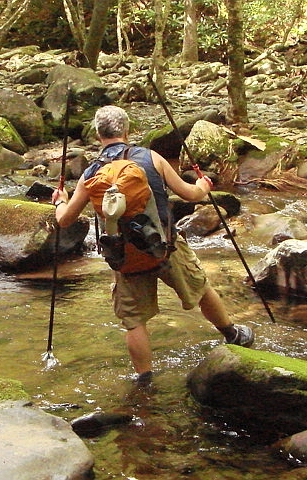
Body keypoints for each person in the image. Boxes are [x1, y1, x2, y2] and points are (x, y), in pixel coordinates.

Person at [53, 105, 255, 385]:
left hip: (125, 257)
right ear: (127, 130)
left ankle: (145, 379)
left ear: (98, 135)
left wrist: (60, 199)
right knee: (200, 287)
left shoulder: (90, 174)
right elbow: (191, 194)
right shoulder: (151, 158)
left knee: (134, 321)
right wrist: (204, 186)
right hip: (166, 245)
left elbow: (64, 221)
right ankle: (233, 334)